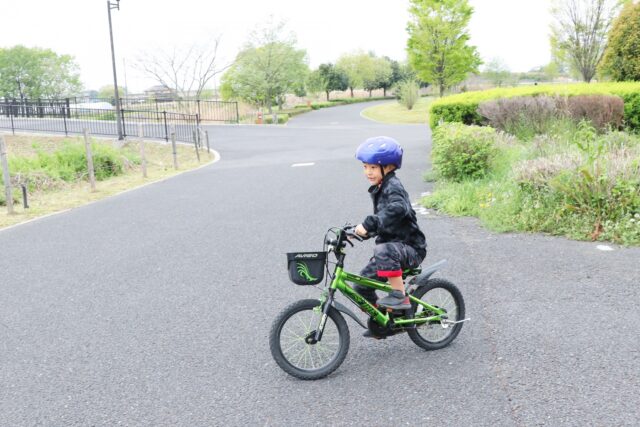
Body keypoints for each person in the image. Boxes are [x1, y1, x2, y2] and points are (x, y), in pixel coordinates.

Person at [353, 136, 427, 319]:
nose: (368, 172)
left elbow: (398, 208)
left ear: (388, 167)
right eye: (365, 167)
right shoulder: (381, 186)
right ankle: (384, 319)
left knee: (383, 249)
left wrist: (370, 223)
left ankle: (399, 297)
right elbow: (384, 221)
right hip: (390, 251)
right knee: (361, 285)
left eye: (372, 167)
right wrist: (356, 233)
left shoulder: (393, 186)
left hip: (410, 248)